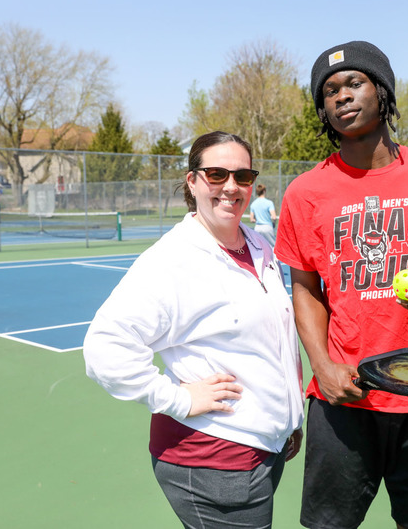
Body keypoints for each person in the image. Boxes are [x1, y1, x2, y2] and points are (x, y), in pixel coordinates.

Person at [274, 41, 408, 529]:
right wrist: (322, 367)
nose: (342, 96)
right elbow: (305, 289)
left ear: (382, 91)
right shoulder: (305, 192)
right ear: (323, 109)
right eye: (329, 91)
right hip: (343, 393)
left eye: (355, 83)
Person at [83, 131, 304, 529]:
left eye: (243, 176)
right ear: (193, 181)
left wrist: (290, 417)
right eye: (217, 174)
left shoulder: (259, 246)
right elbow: (105, 348)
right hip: (212, 458)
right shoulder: (173, 260)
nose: (231, 187)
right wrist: (178, 399)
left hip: (264, 447)